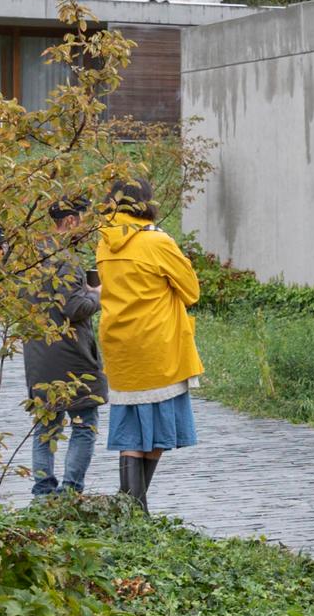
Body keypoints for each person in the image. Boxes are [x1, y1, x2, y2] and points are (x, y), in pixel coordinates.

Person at [96, 181, 202, 511]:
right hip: (158, 347)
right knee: (156, 432)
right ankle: (135, 512)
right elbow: (191, 291)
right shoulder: (158, 242)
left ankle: (133, 511)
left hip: (120, 349)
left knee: (130, 433)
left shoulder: (104, 243)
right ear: (146, 202)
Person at [24, 210, 102, 497]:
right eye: (83, 220)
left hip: (37, 353)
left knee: (46, 424)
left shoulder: (30, 257)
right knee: (84, 421)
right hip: (71, 355)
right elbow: (74, 308)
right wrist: (96, 294)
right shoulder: (66, 260)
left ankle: (43, 491)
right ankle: (71, 490)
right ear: (70, 221)